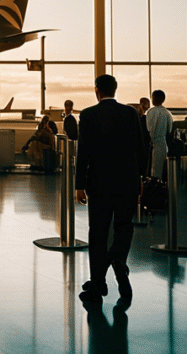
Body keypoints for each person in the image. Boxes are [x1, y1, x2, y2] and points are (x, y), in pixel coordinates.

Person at [75, 74, 147, 304]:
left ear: (97, 90)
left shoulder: (87, 115)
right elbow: (141, 148)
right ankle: (118, 261)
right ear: (115, 90)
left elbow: (83, 154)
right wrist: (141, 179)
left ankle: (98, 284)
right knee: (124, 227)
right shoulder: (130, 114)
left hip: (99, 183)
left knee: (97, 232)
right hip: (127, 181)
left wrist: (79, 185)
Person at [145, 89, 173, 181]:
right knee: (161, 168)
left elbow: (150, 129)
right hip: (163, 144)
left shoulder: (151, 112)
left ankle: (153, 188)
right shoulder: (167, 113)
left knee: (153, 168)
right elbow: (169, 130)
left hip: (154, 143)